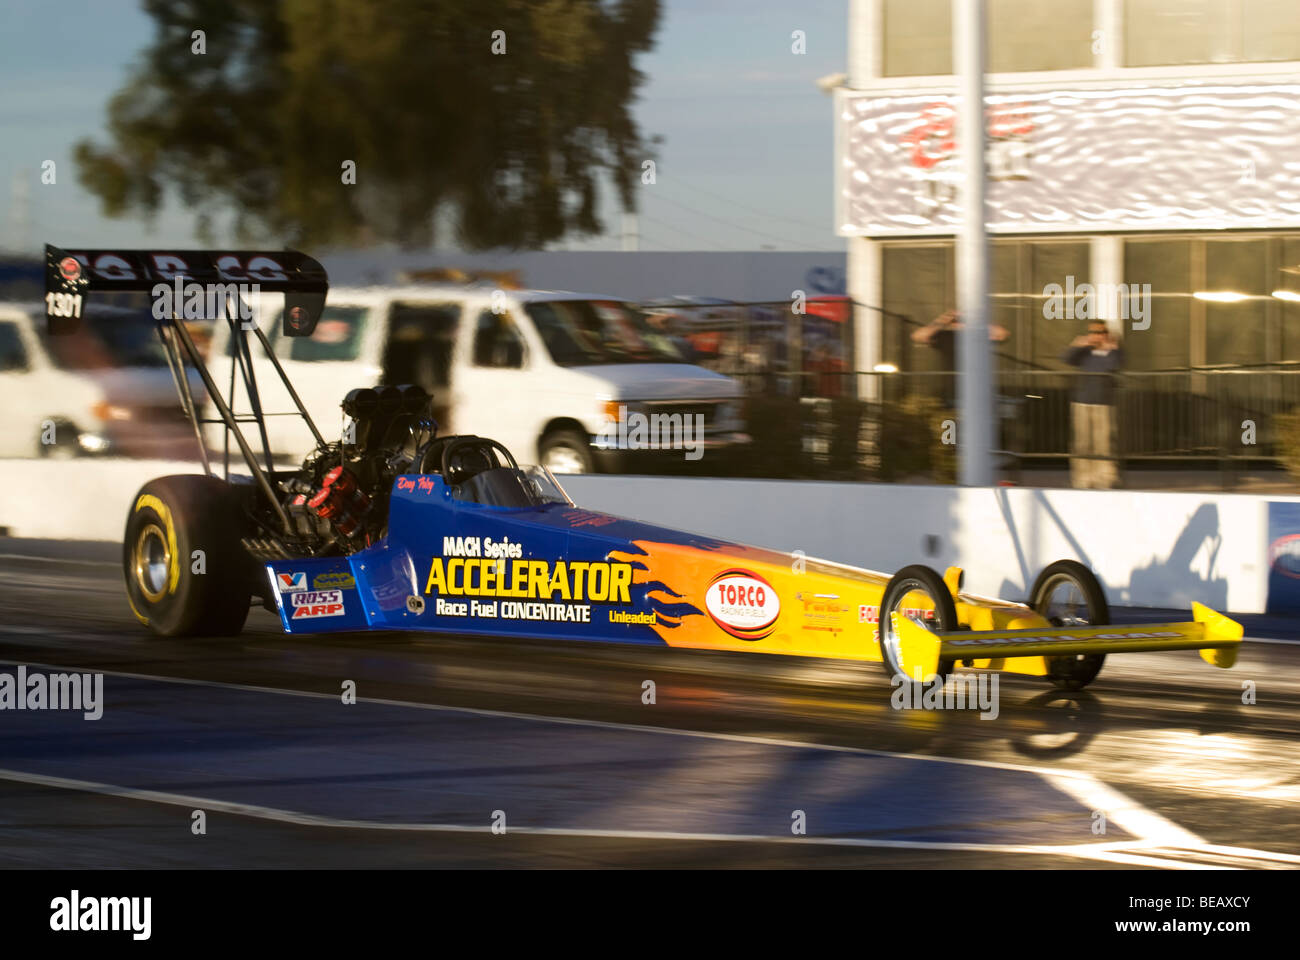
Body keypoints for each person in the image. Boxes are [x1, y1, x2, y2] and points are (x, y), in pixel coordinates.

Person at [1060, 321, 1123, 489]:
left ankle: (1105, 479)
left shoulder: (1113, 352)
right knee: (1082, 443)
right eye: (1093, 332)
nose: (1096, 335)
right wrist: (1077, 345)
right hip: (1082, 401)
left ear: (1106, 334)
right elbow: (1066, 359)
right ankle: (1082, 479)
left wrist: (1110, 348)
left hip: (1104, 403)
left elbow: (1111, 366)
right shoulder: (1084, 352)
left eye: (1100, 332)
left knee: (1104, 443)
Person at [910, 309, 1009, 405]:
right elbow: (918, 336)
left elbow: (1002, 334)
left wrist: (974, 320)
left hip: (976, 389)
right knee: (950, 420)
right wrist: (944, 319)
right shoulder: (945, 336)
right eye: (957, 321)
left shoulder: (978, 336)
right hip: (951, 389)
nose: (960, 323)